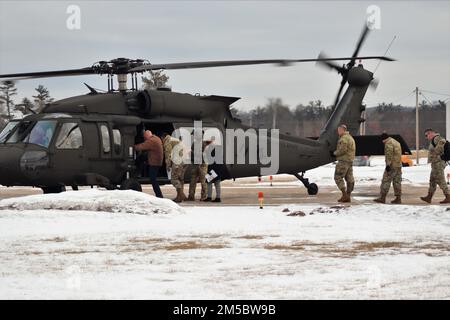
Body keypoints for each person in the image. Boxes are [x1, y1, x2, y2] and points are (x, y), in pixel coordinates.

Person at [420, 128, 450, 204]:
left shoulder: (437, 138)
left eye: (426, 135)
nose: (426, 137)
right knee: (432, 180)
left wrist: (438, 156)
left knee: (440, 179)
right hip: (435, 163)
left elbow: (440, 148)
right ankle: (429, 197)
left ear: (431, 133)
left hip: (438, 163)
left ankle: (448, 196)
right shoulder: (434, 140)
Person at [373, 133, 402, 204]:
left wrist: (388, 165)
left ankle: (382, 197)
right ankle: (398, 198)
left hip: (391, 165)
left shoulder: (388, 143)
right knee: (397, 182)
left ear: (384, 139)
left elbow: (389, 155)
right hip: (398, 165)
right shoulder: (396, 142)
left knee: (386, 181)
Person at [134, 130, 163, 198]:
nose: (145, 139)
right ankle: (159, 195)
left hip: (154, 163)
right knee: (153, 178)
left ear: (147, 136)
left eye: (145, 137)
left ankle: (159, 195)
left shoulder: (151, 141)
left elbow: (141, 146)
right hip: (156, 162)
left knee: (153, 179)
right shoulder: (156, 138)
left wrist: (132, 146)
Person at [332, 124, 356, 203]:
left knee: (338, 177)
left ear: (343, 130)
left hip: (343, 161)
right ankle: (348, 196)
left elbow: (342, 150)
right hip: (349, 161)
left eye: (339, 130)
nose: (338, 132)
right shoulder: (350, 138)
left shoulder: (344, 139)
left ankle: (344, 194)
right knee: (349, 179)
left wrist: (334, 153)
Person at [162, 132, 187, 203]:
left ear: (163, 137)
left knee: (174, 179)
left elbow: (168, 154)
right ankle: (182, 195)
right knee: (180, 179)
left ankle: (180, 196)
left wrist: (168, 165)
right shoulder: (174, 140)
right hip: (185, 160)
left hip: (178, 161)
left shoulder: (168, 141)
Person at [187, 135, 208, 201]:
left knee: (194, 181)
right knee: (202, 181)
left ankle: (191, 196)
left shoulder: (195, 143)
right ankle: (203, 196)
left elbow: (192, 152)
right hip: (201, 164)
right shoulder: (203, 144)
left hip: (198, 164)